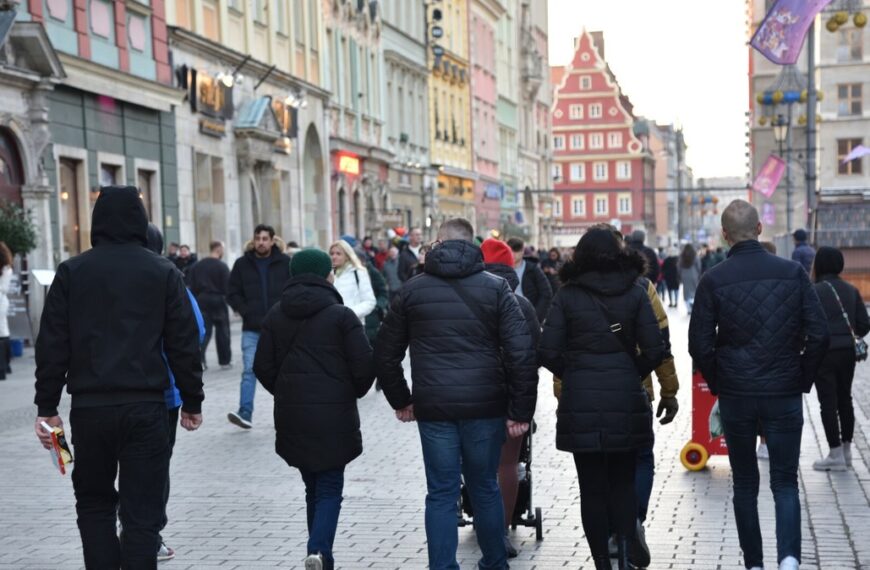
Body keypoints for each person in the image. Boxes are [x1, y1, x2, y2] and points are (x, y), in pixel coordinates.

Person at [34, 186, 204, 569]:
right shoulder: (163, 271)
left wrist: (47, 406)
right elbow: (183, 342)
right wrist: (192, 400)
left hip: (91, 410)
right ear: (140, 222)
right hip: (147, 407)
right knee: (142, 507)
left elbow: (52, 343)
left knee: (93, 502)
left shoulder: (73, 271)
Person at [375, 218, 538, 570]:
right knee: (485, 486)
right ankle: (495, 561)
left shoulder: (412, 290)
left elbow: (385, 352)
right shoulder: (496, 288)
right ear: (474, 244)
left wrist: (401, 399)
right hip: (485, 404)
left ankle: (443, 566)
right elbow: (520, 352)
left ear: (437, 243)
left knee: (441, 491)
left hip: (434, 407)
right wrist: (521, 410)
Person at [689, 199, 829, 570]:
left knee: (745, 484)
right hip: (783, 389)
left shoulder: (713, 279)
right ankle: (789, 560)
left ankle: (754, 563)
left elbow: (698, 344)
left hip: (737, 393)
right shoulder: (793, 273)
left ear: (724, 235)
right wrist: (802, 377)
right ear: (759, 229)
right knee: (785, 482)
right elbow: (820, 333)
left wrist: (720, 380)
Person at [539, 228, 665, 570]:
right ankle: (624, 555)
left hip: (580, 402)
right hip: (625, 399)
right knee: (623, 483)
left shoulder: (566, 295)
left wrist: (574, 372)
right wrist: (632, 370)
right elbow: (657, 347)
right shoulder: (636, 292)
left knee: (592, 488)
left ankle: (601, 564)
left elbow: (547, 350)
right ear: (619, 253)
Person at [253, 249, 375, 570]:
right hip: (334, 415)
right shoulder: (342, 316)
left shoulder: (276, 314)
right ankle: (319, 551)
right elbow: (364, 366)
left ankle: (322, 557)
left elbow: (262, 365)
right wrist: (352, 391)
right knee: (330, 486)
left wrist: (284, 391)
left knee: (313, 486)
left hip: (293, 414)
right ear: (327, 276)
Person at [144, 223, 206, 562]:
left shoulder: (90, 275)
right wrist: (191, 399)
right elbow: (194, 331)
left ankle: (120, 528)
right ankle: (148, 533)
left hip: (99, 397)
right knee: (153, 467)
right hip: (160, 394)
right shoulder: (168, 278)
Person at [480, 238, 542, 558]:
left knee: (478, 467)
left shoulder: (467, 296)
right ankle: (501, 532)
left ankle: (483, 524)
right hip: (510, 397)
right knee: (507, 464)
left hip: (474, 395)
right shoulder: (522, 305)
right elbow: (535, 354)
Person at [226, 224, 291, 429]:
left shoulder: (285, 263)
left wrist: (286, 310)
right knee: (249, 370)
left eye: (265, 238)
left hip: (280, 327)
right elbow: (232, 292)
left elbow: (293, 287)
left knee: (284, 372)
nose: (261, 242)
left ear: (272, 240)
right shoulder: (242, 264)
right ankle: (245, 412)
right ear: (253, 240)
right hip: (252, 328)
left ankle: (287, 413)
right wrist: (244, 310)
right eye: (258, 238)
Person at [811, 246, 869, 472]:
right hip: (847, 352)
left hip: (823, 353)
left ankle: (834, 453)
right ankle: (846, 451)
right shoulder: (851, 290)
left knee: (828, 402)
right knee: (845, 398)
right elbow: (864, 324)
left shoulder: (814, 291)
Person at [187, 240, 232, 369]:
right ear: (218, 249)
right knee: (222, 331)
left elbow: (192, 285)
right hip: (218, 299)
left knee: (204, 331)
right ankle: (224, 361)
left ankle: (200, 360)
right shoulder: (222, 266)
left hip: (202, 299)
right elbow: (228, 286)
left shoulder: (197, 266)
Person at [507, 237, 553, 322]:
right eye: (510, 250)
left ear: (522, 252)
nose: (513, 253)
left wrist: (536, 316)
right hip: (508, 317)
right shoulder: (502, 269)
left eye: (516, 250)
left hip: (528, 316)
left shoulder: (533, 269)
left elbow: (546, 293)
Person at [330, 240, 376, 322]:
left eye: (338, 254)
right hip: (333, 325)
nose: (334, 257)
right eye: (332, 253)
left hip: (353, 324)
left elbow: (370, 301)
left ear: (347, 256)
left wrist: (348, 314)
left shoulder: (358, 272)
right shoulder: (329, 274)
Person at [0, 242, 13, 379]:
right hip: (2, 301)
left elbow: (3, 288)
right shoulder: (7, 269)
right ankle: (5, 365)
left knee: (2, 331)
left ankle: (4, 366)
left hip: (1, 300)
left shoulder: (6, 269)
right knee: (3, 330)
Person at [678, 244, 701, 314]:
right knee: (694, 291)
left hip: (684, 275)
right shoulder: (695, 256)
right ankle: (693, 306)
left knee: (686, 292)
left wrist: (680, 275)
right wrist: (698, 274)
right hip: (694, 275)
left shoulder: (682, 256)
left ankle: (688, 309)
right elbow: (699, 266)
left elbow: (678, 267)